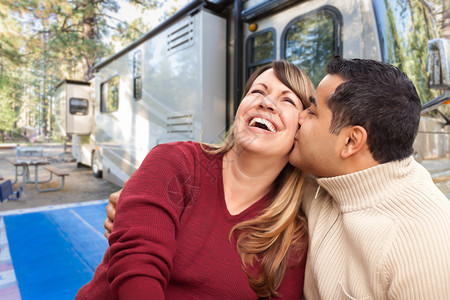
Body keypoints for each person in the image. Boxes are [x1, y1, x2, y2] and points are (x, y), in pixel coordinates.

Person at [105, 57, 450, 299]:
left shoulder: (424, 244)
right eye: (257, 91)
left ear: (350, 142)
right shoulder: (322, 184)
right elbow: (138, 252)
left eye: (307, 110)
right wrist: (139, 203)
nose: (268, 104)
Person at [76, 60, 315, 299]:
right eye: (257, 92)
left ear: (300, 131)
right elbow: (137, 266)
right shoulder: (174, 161)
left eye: (287, 100)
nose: (266, 102)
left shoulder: (290, 236)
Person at [290, 57, 450, 299]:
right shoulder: (325, 177)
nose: (299, 117)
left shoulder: (425, 245)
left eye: (312, 112)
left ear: (351, 141)